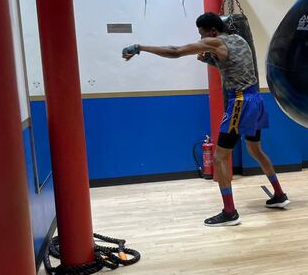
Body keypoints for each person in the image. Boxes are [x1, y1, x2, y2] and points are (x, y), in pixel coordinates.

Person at [122, 12, 289, 226]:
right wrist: (209, 58)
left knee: (220, 158)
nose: (200, 38)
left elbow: (175, 52)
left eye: (201, 34)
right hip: (256, 100)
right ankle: (279, 195)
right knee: (255, 150)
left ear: (211, 31)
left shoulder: (214, 41)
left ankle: (229, 213)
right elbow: (232, 64)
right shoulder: (239, 39)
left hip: (239, 102)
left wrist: (140, 47)